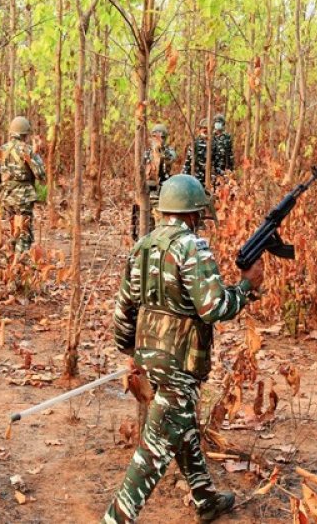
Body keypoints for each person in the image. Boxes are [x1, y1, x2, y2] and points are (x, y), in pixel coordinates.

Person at [102, 174, 264, 524]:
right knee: (152, 453)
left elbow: (124, 307)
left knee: (182, 427)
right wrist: (247, 287)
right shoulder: (192, 247)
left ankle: (205, 499)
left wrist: (129, 350)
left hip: (150, 354)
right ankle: (115, 519)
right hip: (180, 361)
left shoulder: (142, 246)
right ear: (194, 213)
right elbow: (215, 307)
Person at [0, 116, 46, 254]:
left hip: (7, 195)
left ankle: (11, 259)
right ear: (25, 134)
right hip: (24, 196)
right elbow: (41, 175)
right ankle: (20, 264)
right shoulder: (27, 150)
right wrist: (36, 155)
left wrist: (4, 186)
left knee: (13, 227)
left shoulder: (2, 149)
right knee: (24, 231)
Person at [143, 123, 177, 232]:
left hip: (166, 186)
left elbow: (171, 158)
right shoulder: (147, 153)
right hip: (151, 187)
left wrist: (161, 151)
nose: (159, 140)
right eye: (156, 137)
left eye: (162, 137)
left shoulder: (169, 151)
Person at [183, 119, 209, 187]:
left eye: (207, 128)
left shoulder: (214, 143)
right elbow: (188, 163)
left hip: (210, 180)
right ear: (200, 129)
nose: (205, 130)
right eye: (204, 128)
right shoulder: (195, 143)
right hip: (197, 179)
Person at [212, 113, 234, 179]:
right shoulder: (211, 136)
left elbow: (230, 154)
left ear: (223, 124)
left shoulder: (227, 137)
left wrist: (230, 169)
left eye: (219, 122)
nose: (217, 124)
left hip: (224, 167)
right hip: (213, 168)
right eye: (216, 122)